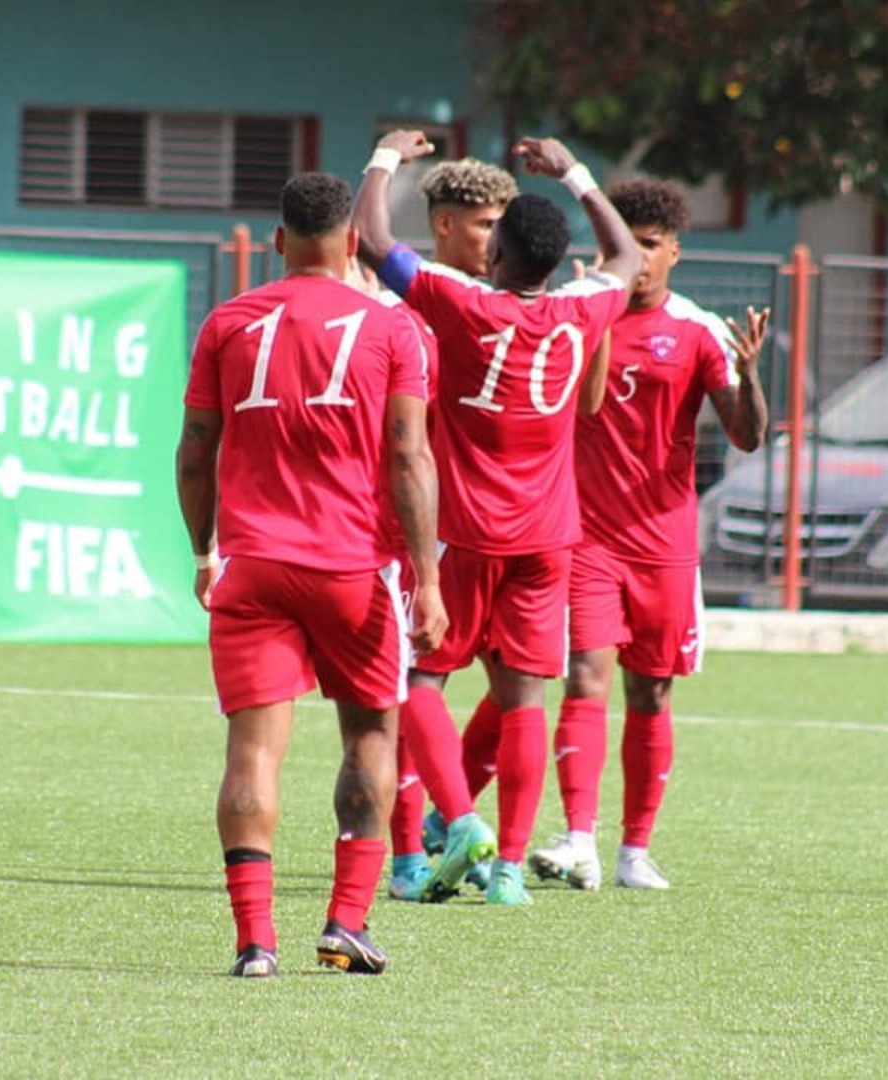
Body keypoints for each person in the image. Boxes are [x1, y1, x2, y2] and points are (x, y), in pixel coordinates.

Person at [453, 179, 770, 891]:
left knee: (652, 693)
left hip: (665, 543)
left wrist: (749, 378)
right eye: (629, 246)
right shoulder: (579, 313)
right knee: (584, 678)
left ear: (674, 253)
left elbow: (748, 436)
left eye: (652, 246)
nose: (640, 260)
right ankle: (578, 841)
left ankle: (635, 850)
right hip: (582, 535)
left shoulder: (698, 331)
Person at [353, 127, 641, 906]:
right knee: (524, 702)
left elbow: (374, 240)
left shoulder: (466, 301)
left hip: (465, 533)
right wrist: (578, 172)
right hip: (550, 536)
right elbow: (627, 260)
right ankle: (508, 869)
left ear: (501, 250)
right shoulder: (584, 308)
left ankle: (453, 825)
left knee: (418, 679)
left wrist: (384, 158)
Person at [176, 172, 446, 976]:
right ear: (352, 242)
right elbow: (408, 455)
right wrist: (427, 578)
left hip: (253, 565)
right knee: (370, 732)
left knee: (252, 753)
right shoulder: (390, 329)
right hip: (352, 568)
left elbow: (194, 450)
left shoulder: (229, 322)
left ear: (277, 239)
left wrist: (203, 551)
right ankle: (345, 923)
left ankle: (255, 943)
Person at [382, 158, 519, 904]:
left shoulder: (511, 309)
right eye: (485, 226)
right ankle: (410, 852)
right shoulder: (411, 313)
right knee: (406, 685)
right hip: (427, 531)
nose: (496, 241)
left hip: (505, 532)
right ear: (444, 226)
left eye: (503, 226)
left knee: (508, 686)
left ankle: (449, 817)